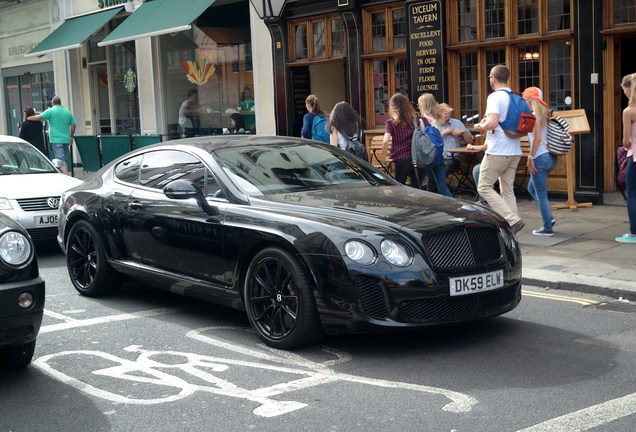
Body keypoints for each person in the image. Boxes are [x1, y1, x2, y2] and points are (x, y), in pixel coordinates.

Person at [474, 64, 525, 233]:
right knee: (507, 189)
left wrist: (481, 125)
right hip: (515, 150)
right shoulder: (513, 96)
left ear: (493, 78)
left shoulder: (495, 97)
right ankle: (513, 226)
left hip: (498, 150)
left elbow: (493, 123)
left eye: (489, 77)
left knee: (484, 187)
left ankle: (512, 219)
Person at [522, 86, 558, 236]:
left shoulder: (534, 116)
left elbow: (536, 140)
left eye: (525, 100)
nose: (524, 102)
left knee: (541, 194)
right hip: (551, 157)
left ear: (530, 100)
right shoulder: (546, 115)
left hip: (539, 158)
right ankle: (549, 217)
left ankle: (547, 227)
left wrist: (530, 158)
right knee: (532, 189)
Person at [425, 101, 473, 194]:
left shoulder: (457, 123)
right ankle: (433, 193)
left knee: (443, 167)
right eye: (443, 111)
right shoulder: (434, 124)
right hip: (437, 157)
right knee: (429, 168)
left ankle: (438, 192)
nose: (446, 113)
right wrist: (443, 133)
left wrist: (462, 132)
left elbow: (470, 141)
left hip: (452, 158)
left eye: (448, 111)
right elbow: (428, 142)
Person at [416, 93, 453, 197]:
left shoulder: (422, 121)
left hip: (428, 157)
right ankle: (457, 207)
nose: (418, 107)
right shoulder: (439, 119)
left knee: (417, 185)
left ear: (423, 105)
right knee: (442, 186)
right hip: (439, 157)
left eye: (419, 105)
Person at [27, 96, 75, 175]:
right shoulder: (68, 112)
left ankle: (67, 177)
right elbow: (73, 125)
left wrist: (28, 118)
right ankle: (62, 176)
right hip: (66, 140)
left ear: (52, 103)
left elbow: (38, 117)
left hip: (56, 140)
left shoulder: (51, 111)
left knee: (60, 161)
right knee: (63, 160)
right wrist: (71, 136)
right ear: (60, 103)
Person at [380, 93, 418, 187]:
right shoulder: (414, 121)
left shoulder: (391, 123)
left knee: (399, 187)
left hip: (401, 159)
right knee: (417, 188)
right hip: (415, 158)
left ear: (392, 107)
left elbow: (385, 141)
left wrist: (384, 156)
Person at [616, 72, 636, 243]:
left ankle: (634, 232)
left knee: (632, 194)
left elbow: (627, 141)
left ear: (630, 89)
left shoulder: (629, 111)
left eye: (624, 90)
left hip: (635, 157)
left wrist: (624, 145)